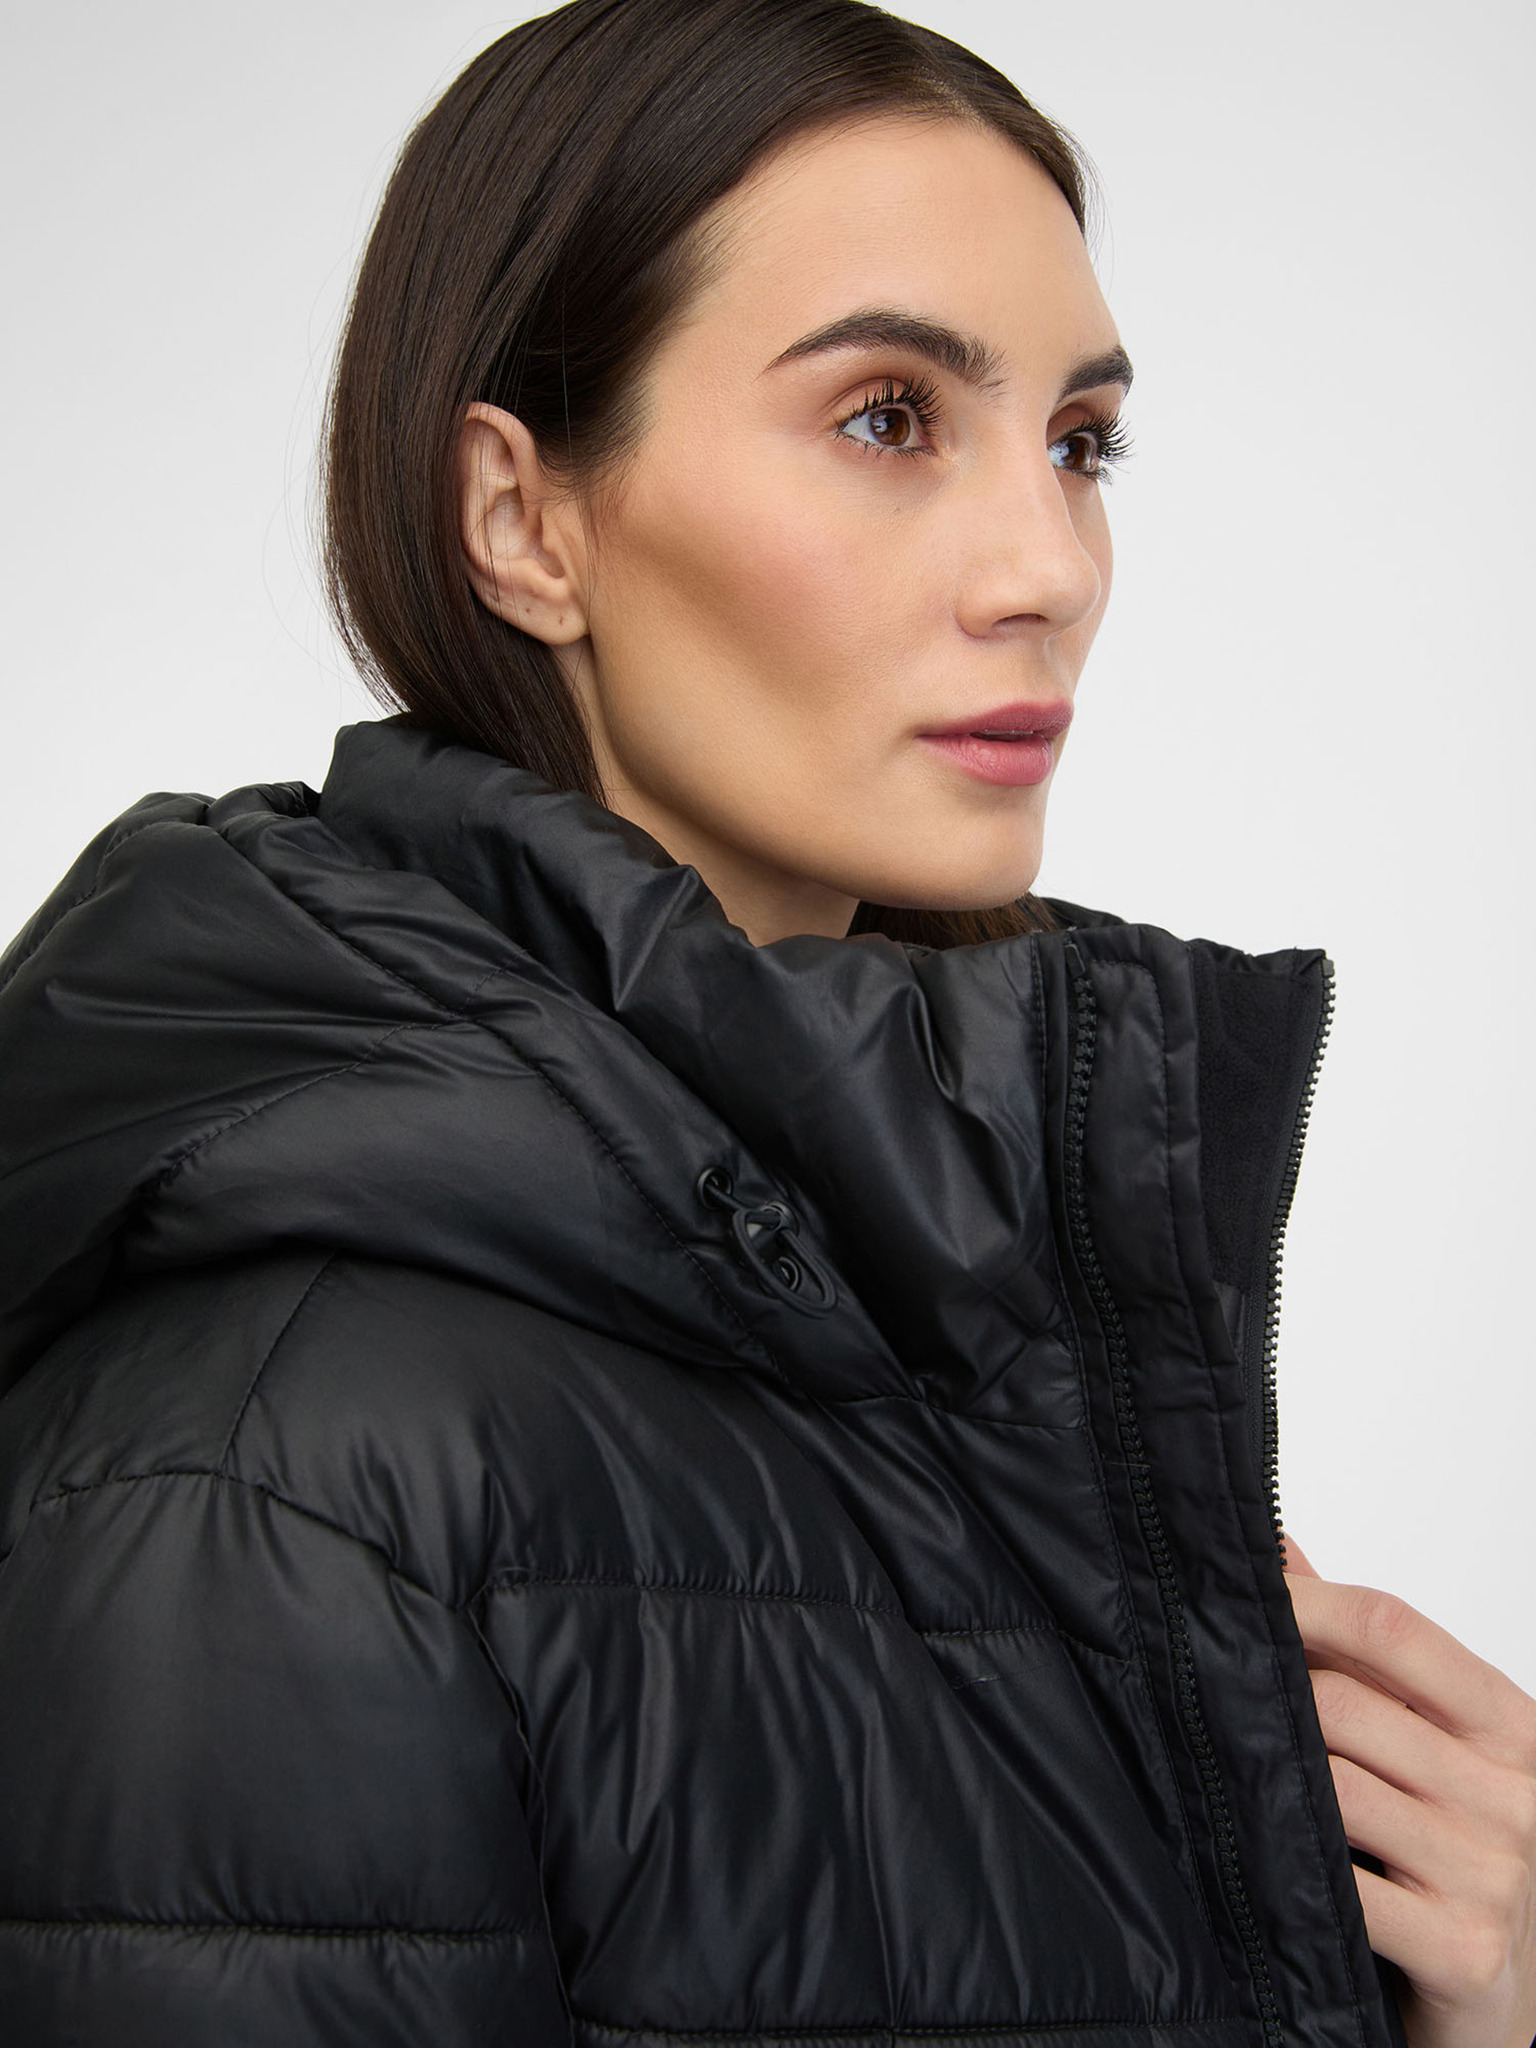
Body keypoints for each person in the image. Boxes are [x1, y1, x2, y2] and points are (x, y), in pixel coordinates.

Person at [0, 2, 1531, 2044]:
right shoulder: (267, 1482)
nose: (1050, 566)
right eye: (889, 418)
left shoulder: (948, 1324)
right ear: (523, 519)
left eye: (1080, 444)